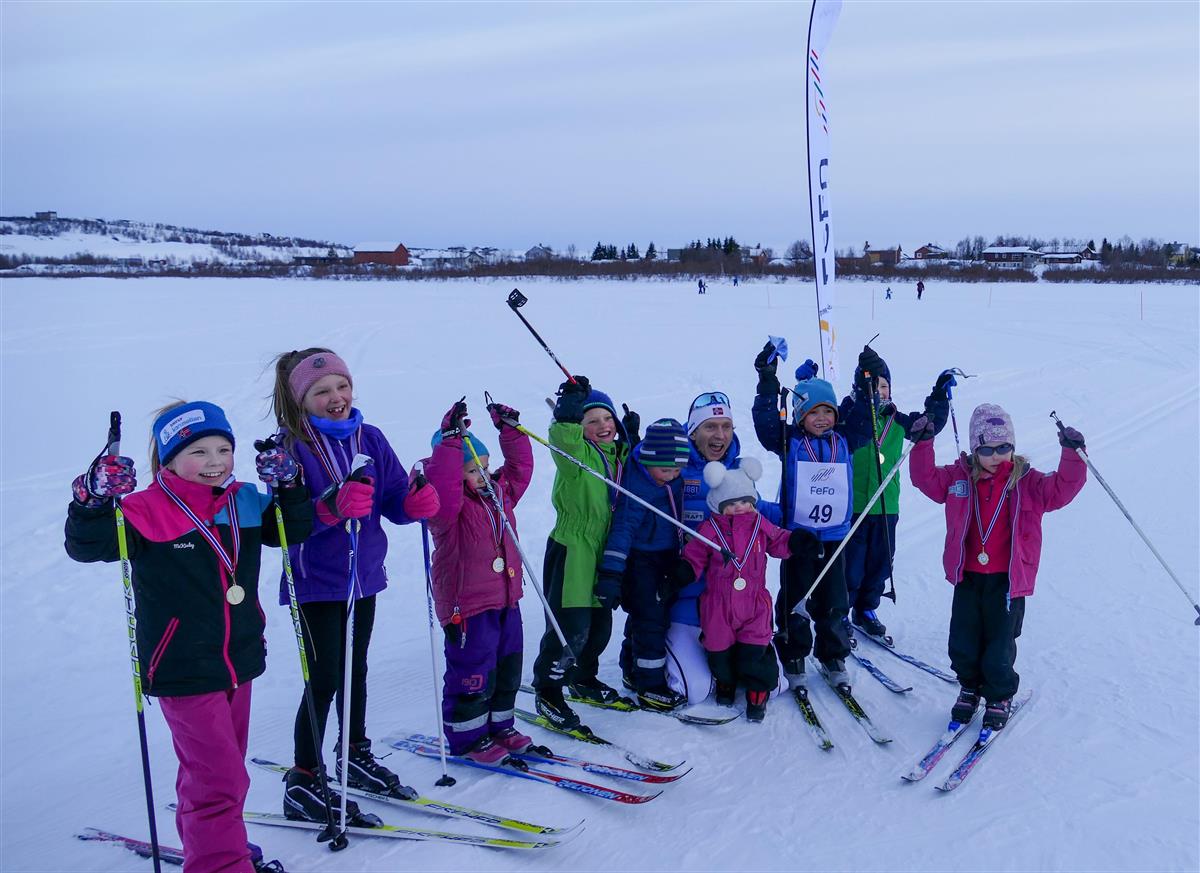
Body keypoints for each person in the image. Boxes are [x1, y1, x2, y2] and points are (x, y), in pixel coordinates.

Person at [65, 401, 312, 873]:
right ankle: (221, 863)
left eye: (223, 449)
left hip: (238, 659)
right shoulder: (144, 509)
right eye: (198, 452)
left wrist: (289, 484)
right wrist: (91, 497)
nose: (215, 461)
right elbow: (86, 545)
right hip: (181, 666)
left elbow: (293, 528)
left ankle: (219, 844)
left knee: (218, 769)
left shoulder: (244, 501)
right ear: (169, 459)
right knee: (219, 776)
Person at [269, 348, 440, 822]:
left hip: (363, 577)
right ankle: (304, 776)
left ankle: (354, 752)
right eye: (321, 391)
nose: (336, 397)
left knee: (354, 669)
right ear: (300, 399)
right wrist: (330, 508)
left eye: (342, 386)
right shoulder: (288, 450)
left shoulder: (371, 437)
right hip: (317, 582)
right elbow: (283, 524)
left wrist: (414, 503)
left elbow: (394, 499)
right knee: (325, 677)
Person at [908, 403, 1086, 730]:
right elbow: (925, 479)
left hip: (1007, 580)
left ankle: (999, 695)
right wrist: (922, 444)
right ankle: (969, 687)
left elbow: (1062, 489)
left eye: (1004, 447)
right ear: (975, 450)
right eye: (987, 449)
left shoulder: (1028, 483)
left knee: (1000, 645)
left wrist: (1073, 455)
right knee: (963, 640)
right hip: (968, 576)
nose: (996, 456)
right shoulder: (958, 478)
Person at [752, 344, 877, 691]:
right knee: (796, 598)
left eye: (828, 411)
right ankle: (793, 651)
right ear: (800, 416)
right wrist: (767, 381)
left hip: (835, 536)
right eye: (813, 412)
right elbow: (765, 424)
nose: (822, 418)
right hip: (799, 538)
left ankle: (833, 653)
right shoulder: (789, 440)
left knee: (835, 600)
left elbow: (865, 418)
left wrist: (866, 380)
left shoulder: (845, 439)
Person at [426, 398, 534, 762]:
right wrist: (450, 443)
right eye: (473, 470)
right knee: (473, 671)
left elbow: (519, 470)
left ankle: (500, 725)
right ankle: (468, 737)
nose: (484, 476)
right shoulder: (445, 509)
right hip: (468, 606)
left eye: (486, 467)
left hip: (506, 598)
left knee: (507, 666)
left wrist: (510, 432)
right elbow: (443, 492)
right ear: (454, 476)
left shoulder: (499, 494)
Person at [670, 458, 815, 722]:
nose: (739, 507)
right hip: (718, 605)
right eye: (731, 503)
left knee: (755, 648)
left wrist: (797, 542)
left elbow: (779, 540)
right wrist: (684, 571)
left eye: (745, 501)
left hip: (754, 603)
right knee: (718, 649)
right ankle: (725, 682)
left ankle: (758, 691)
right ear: (718, 504)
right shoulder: (710, 529)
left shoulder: (759, 524)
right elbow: (695, 555)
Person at [530, 376, 636, 729]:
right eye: (592, 421)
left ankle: (583, 678)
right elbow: (564, 437)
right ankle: (548, 691)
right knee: (569, 629)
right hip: (574, 549)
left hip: (605, 551)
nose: (604, 426)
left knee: (599, 627)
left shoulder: (619, 456)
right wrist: (569, 412)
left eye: (607, 418)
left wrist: (633, 439)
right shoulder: (575, 457)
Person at [838, 358, 951, 638]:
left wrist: (938, 397)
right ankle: (841, 611)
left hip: (886, 506)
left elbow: (929, 425)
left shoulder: (897, 419)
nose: (879, 391)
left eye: (884, 386)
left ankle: (866, 608)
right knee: (851, 566)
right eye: (872, 386)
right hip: (853, 507)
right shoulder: (849, 416)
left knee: (880, 564)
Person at [596, 418, 691, 711]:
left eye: (677, 470)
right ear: (649, 461)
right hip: (641, 560)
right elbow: (623, 529)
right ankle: (650, 686)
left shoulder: (668, 477)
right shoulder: (636, 487)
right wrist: (611, 574)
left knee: (646, 616)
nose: (671, 476)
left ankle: (631, 669)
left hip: (667, 555)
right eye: (666, 470)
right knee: (651, 621)